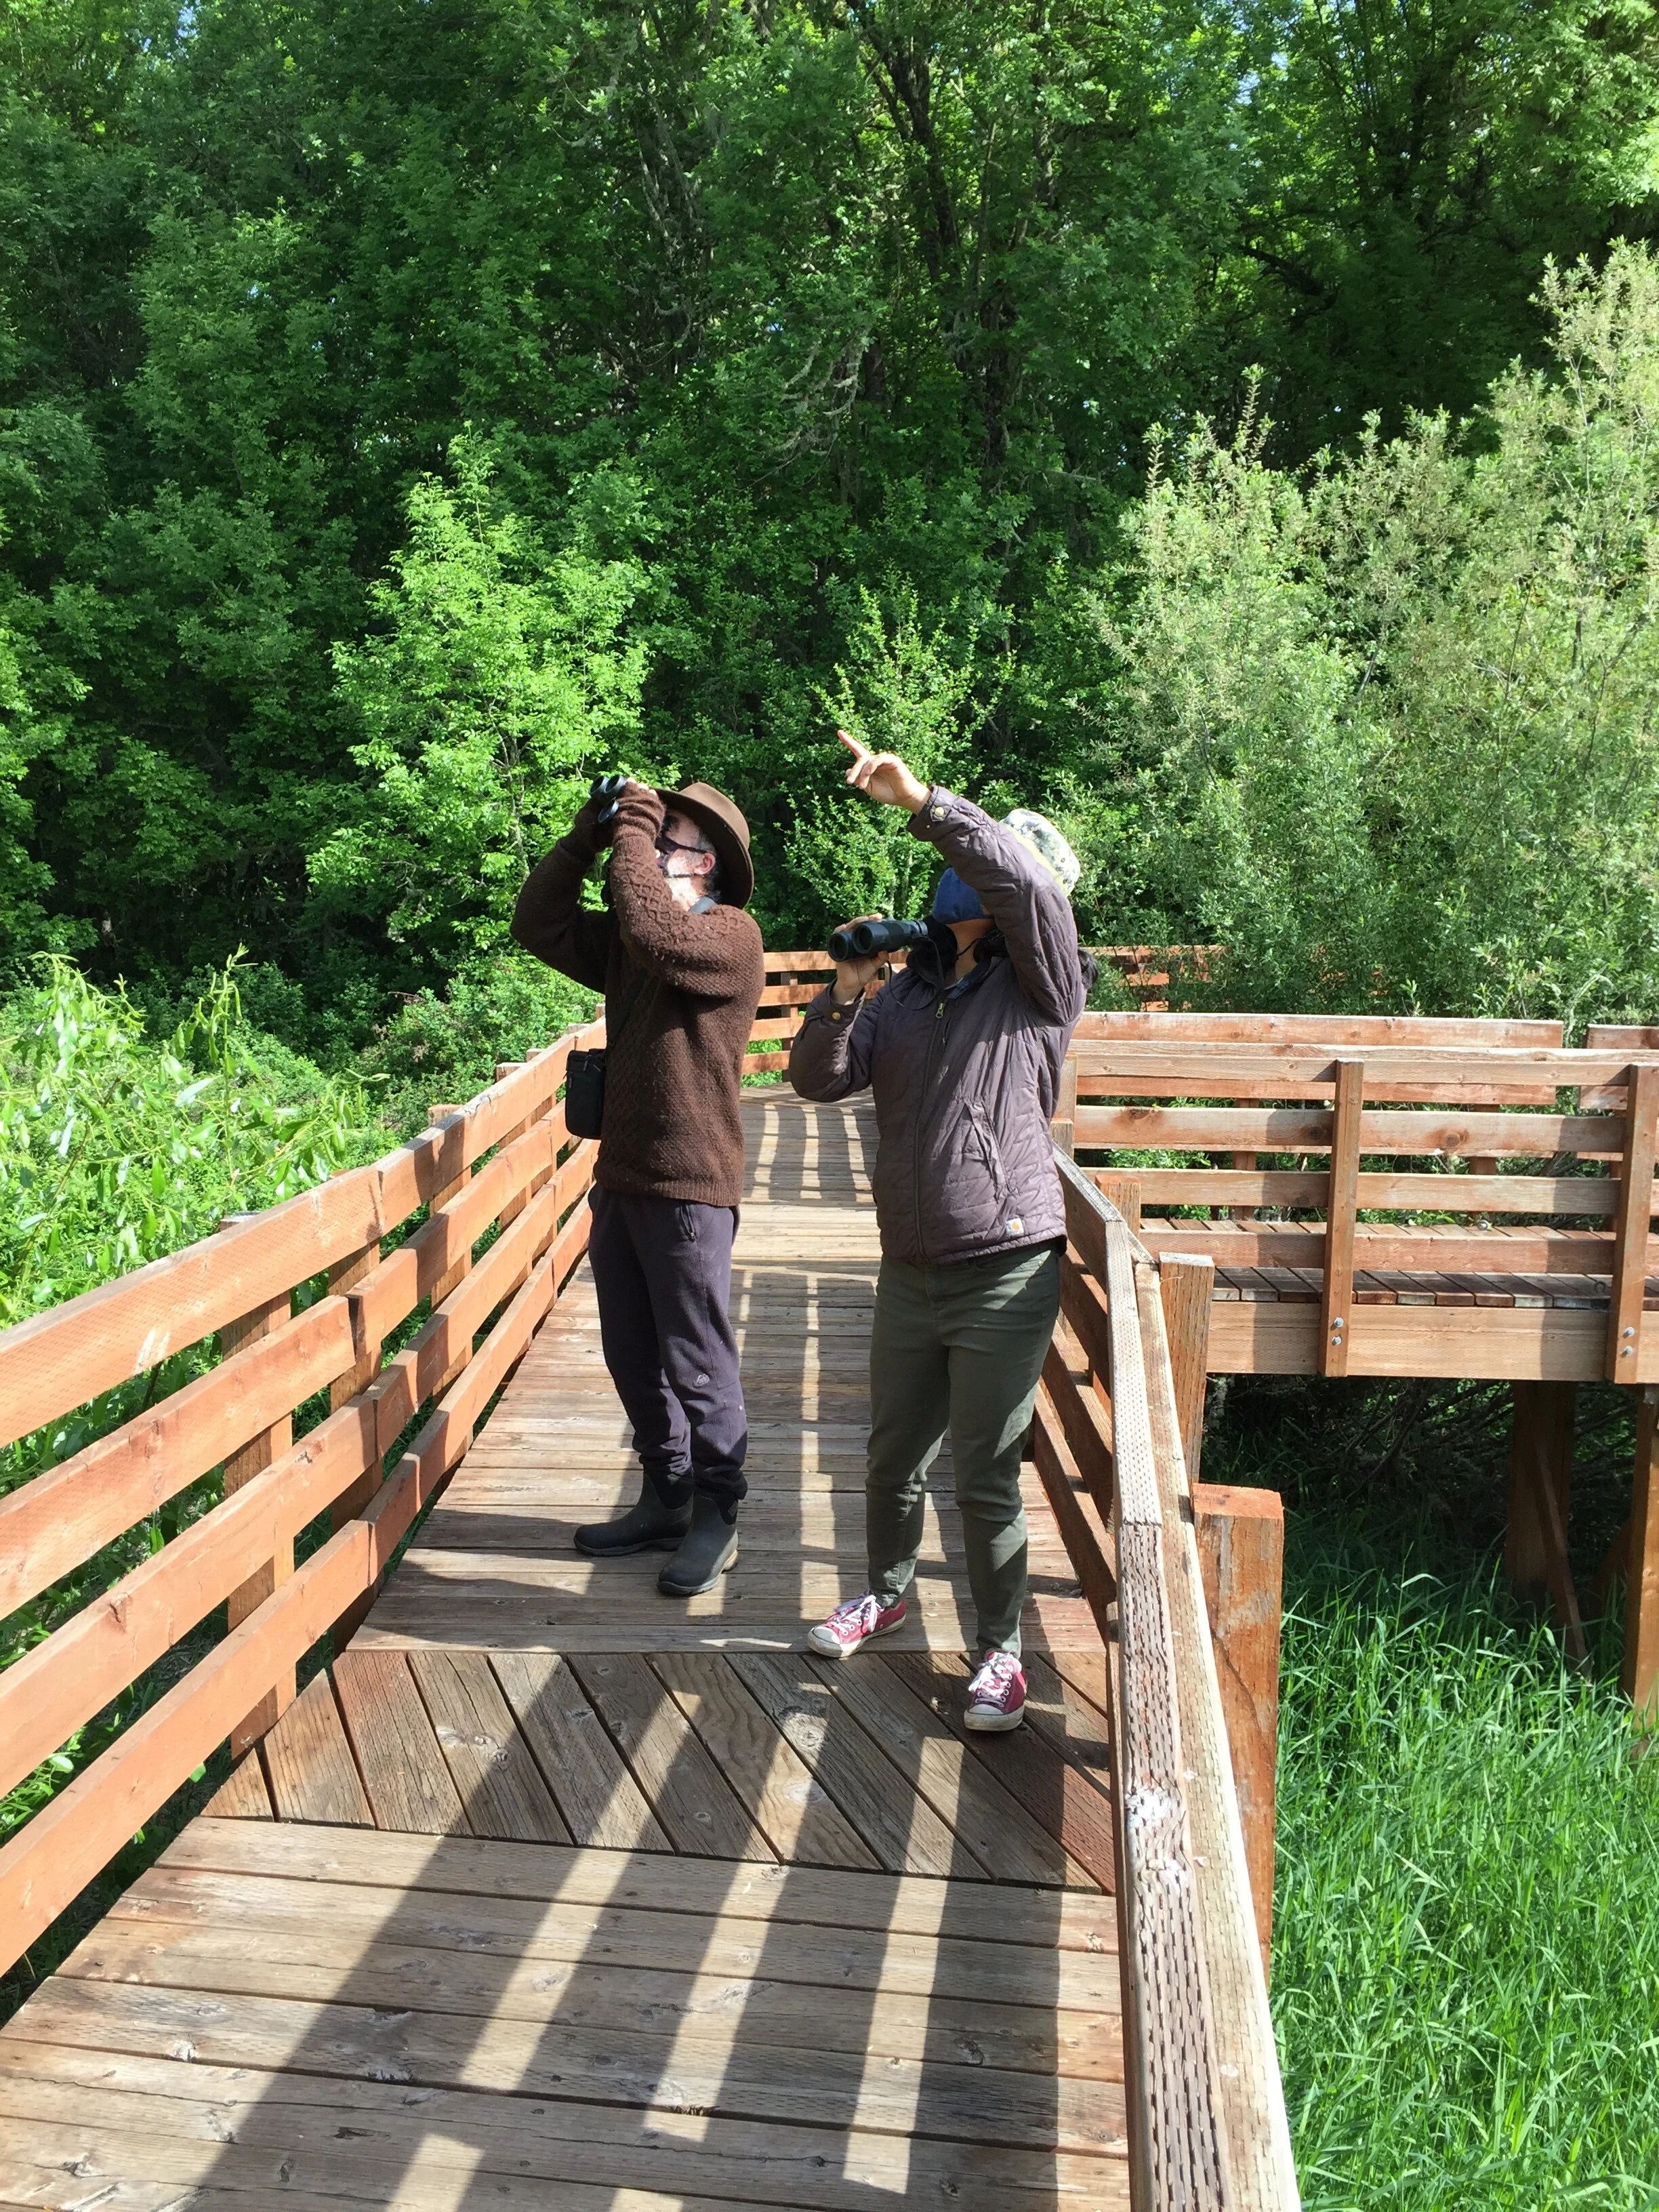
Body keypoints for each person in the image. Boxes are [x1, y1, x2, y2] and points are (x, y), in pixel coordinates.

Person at [789, 731, 1088, 1729]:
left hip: (1005, 1266)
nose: (965, 880)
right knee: (890, 1457)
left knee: (986, 1473)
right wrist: (845, 990)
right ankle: (884, 1592)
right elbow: (818, 1080)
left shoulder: (1041, 981)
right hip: (909, 1266)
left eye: (987, 863)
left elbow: (1028, 890)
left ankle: (1001, 1653)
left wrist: (927, 804)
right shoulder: (908, 994)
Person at [510, 777, 765, 1597]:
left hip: (690, 1188)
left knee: (697, 1359)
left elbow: (655, 930)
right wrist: (587, 835)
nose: (649, 848)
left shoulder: (730, 935)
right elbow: (537, 924)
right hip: (621, 1179)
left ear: (707, 863)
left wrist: (633, 825)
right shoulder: (635, 942)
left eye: (665, 838)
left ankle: (719, 1511)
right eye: (649, 835)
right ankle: (667, 1493)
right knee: (630, 1353)